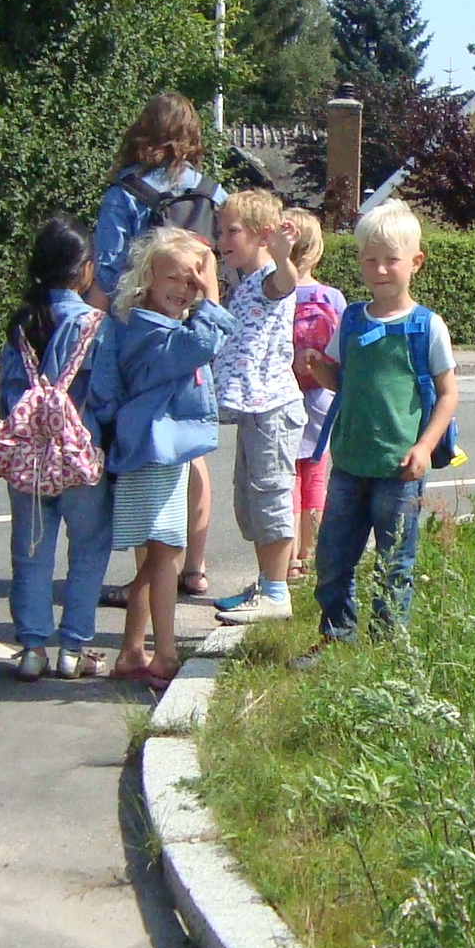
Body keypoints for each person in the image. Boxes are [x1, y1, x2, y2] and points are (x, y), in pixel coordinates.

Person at [293, 201, 457, 658]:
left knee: (394, 563)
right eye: (370, 259)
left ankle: (387, 648)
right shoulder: (351, 319)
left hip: (400, 469)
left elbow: (447, 394)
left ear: (416, 262)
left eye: (391, 259)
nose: (380, 269)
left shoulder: (426, 327)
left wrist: (424, 447)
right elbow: (339, 379)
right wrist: (317, 365)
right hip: (348, 463)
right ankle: (335, 636)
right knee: (331, 558)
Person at [90, 93, 226, 601]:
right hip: (199, 326)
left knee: (149, 442)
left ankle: (148, 576)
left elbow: (107, 273)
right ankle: (194, 567)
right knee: (191, 447)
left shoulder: (126, 193)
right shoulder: (211, 193)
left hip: (143, 329)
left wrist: (90, 334)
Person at [88, 226, 232, 687]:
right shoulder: (145, 328)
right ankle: (164, 655)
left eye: (192, 282)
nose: (183, 289)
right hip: (152, 449)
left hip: (158, 448)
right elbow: (201, 345)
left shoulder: (147, 323)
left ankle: (133, 649)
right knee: (165, 551)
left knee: (156, 554)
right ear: (147, 276)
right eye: (174, 277)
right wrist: (212, 295)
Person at [0, 217, 114, 683]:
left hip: (29, 460)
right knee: (87, 549)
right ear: (85, 270)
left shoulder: (21, 325)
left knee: (30, 552)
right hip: (80, 458)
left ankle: (32, 649)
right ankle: (73, 649)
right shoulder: (94, 325)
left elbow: (6, 396)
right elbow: (105, 397)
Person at [208, 191, 304, 624]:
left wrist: (282, 257)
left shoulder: (268, 278)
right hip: (254, 411)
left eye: (232, 231)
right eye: (220, 231)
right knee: (251, 503)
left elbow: (285, 283)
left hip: (273, 410)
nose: (222, 241)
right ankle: (266, 581)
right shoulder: (246, 282)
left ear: (262, 235)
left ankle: (276, 593)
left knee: (270, 497)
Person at [280, 210, 345, 580]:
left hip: (285, 394)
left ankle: (287, 559)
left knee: (288, 477)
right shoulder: (331, 297)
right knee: (316, 476)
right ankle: (311, 553)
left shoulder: (276, 293)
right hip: (322, 396)